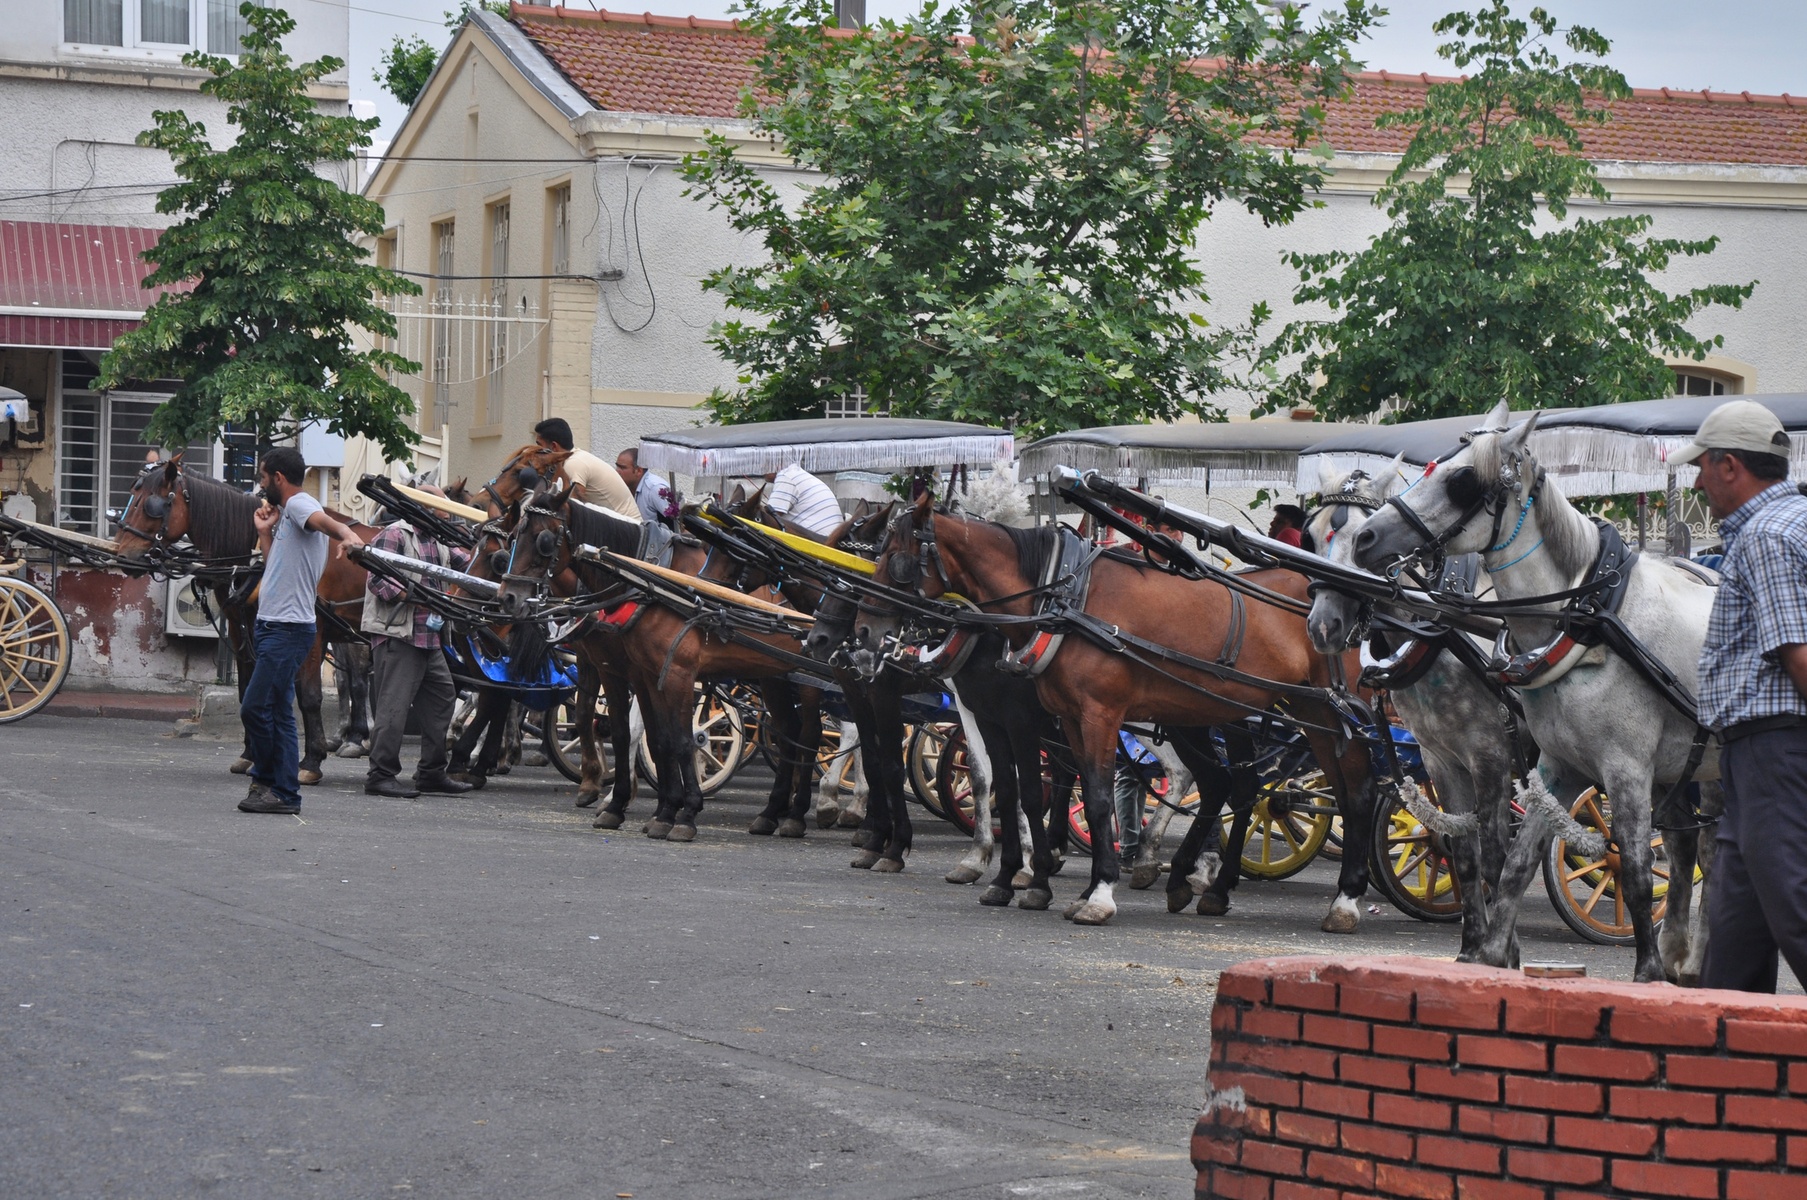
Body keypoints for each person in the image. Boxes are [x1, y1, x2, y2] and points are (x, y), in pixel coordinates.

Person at [1680, 400, 1807, 993]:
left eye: (1702, 466)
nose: (1697, 482)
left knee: (1794, 904)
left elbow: (1798, 653)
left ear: (1730, 465)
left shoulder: (1765, 537)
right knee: (1735, 933)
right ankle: (1721, 1041)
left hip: (1773, 749)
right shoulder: (1795, 521)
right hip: (1759, 755)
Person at [238, 447, 365, 815]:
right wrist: (265, 533)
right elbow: (276, 565)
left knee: (254, 708)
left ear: (278, 478)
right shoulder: (287, 516)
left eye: (263, 478)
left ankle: (268, 781)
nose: (261, 486)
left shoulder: (299, 504)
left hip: (287, 629)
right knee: (278, 711)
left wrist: (346, 533)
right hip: (275, 626)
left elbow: (324, 522)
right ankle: (283, 792)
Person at [359, 488, 473, 799]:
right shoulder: (395, 534)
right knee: (393, 708)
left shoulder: (440, 540)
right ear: (425, 508)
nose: (447, 512)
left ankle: (431, 772)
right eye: (442, 506)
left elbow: (470, 565)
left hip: (429, 638)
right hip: (398, 634)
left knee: (442, 699)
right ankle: (380, 775)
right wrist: (413, 596)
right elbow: (377, 580)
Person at [533, 417, 640, 520]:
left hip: (627, 525)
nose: (536, 450)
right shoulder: (577, 457)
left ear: (553, 446)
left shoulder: (573, 464)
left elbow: (576, 509)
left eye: (539, 445)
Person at [763, 461, 842, 537]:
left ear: (777, 463)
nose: (762, 468)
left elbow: (768, 519)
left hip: (818, 541)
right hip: (830, 539)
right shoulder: (796, 473)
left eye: (765, 463)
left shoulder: (786, 476)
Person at [615, 446, 674, 525]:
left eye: (622, 468)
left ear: (639, 471)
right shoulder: (623, 485)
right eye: (617, 466)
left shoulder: (655, 489)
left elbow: (679, 523)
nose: (617, 471)